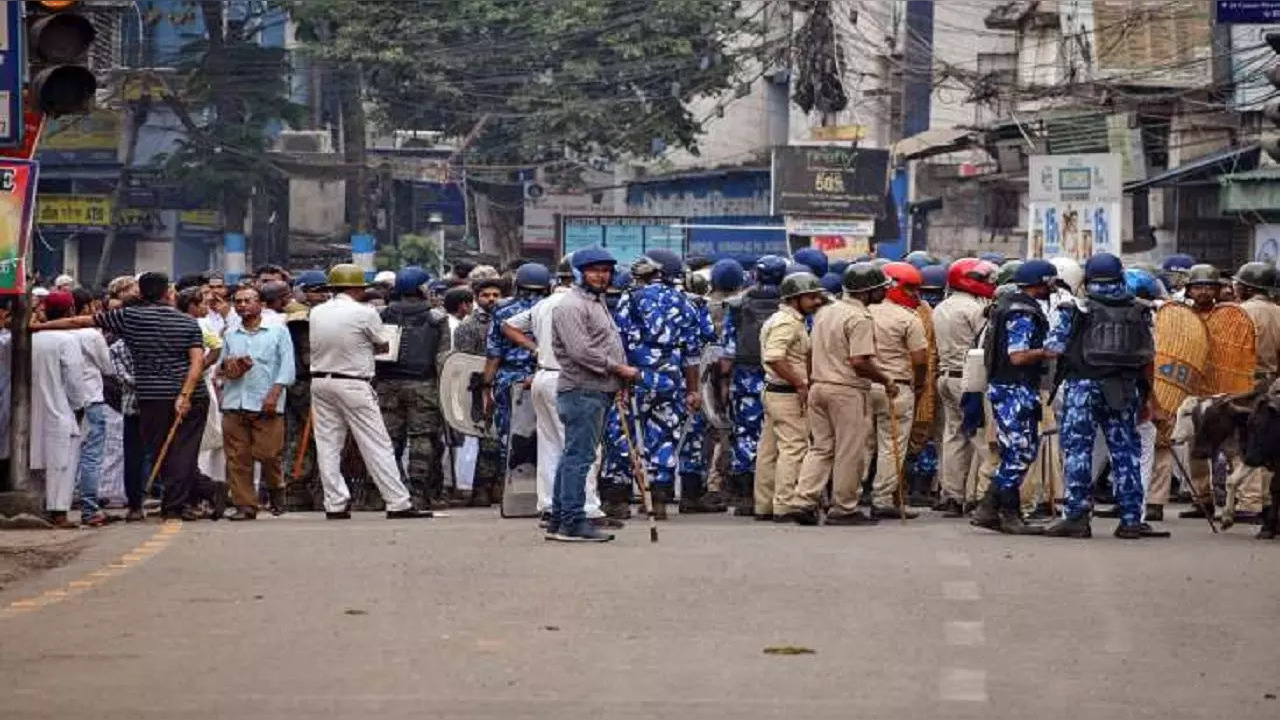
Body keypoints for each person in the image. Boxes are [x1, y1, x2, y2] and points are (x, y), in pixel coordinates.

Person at [34, 273, 210, 521]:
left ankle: (176, 504)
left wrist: (39, 327)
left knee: (162, 449)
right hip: (188, 394)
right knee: (181, 450)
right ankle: (187, 500)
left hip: (152, 396)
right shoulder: (187, 322)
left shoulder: (128, 317)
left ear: (141, 293)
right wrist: (186, 394)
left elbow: (81, 322)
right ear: (166, 294)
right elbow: (196, 362)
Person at [1043, 254, 1156, 539]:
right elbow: (1148, 358)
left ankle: (1077, 516)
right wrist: (1147, 397)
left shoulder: (1076, 308)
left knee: (1079, 451)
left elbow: (1053, 348)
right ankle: (1131, 519)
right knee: (1126, 453)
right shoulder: (1141, 310)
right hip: (1124, 388)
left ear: (1088, 278)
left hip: (1083, 387)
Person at [308, 263, 432, 520]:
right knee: (376, 443)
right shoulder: (364, 312)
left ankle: (335, 503)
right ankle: (398, 502)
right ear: (356, 287)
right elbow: (382, 343)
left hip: (320, 380)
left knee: (328, 444)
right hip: (354, 382)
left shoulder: (317, 312)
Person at [503, 255, 614, 526]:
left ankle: (551, 505)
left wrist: (535, 350)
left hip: (543, 375)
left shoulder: (545, 304)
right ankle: (586, 508)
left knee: (551, 445)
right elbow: (583, 350)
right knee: (582, 448)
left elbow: (508, 325)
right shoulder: (579, 304)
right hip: (570, 378)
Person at [547, 247, 638, 542]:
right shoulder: (571, 306)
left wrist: (619, 380)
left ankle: (561, 519)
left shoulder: (596, 302)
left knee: (573, 455)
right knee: (579, 457)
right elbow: (580, 351)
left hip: (598, 390)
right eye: (595, 270)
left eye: (606, 270)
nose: (602, 276)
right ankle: (572, 521)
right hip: (582, 390)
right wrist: (619, 369)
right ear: (578, 272)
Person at [794, 263, 894, 526]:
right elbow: (859, 361)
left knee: (820, 448)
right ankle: (844, 507)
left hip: (819, 387)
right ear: (867, 291)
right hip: (846, 391)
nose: (884, 292)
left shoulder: (825, 312)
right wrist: (886, 380)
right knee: (850, 451)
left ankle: (804, 500)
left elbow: (809, 353)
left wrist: (811, 380)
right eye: (880, 288)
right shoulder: (859, 318)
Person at [615, 249, 704, 519]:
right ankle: (660, 497)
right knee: (665, 436)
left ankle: (616, 499)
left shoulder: (629, 299)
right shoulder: (687, 303)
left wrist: (619, 383)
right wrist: (692, 389)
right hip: (671, 381)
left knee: (625, 435)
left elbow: (617, 343)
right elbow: (692, 353)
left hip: (634, 378)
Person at [970, 261, 1056, 535]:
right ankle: (1009, 514)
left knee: (1024, 450)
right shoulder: (1023, 312)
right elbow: (1018, 356)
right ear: (1040, 282)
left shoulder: (1007, 305)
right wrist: (1048, 351)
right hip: (1014, 388)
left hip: (1010, 387)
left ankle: (989, 507)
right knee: (1018, 453)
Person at [219, 286, 296, 520]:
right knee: (237, 457)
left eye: (247, 301)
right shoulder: (231, 334)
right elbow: (221, 368)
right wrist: (231, 367)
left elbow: (287, 367)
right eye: (238, 302)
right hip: (235, 401)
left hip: (266, 402)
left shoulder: (278, 331)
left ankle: (276, 489)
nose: (242, 305)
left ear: (260, 304)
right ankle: (245, 505)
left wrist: (274, 394)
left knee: (269, 454)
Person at [720, 255, 787, 515]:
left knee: (746, 436)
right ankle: (776, 493)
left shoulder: (737, 306)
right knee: (782, 437)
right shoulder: (791, 305)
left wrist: (724, 385)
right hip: (783, 379)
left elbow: (726, 354)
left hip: (745, 379)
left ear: (755, 275)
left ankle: (746, 497)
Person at [376, 267, 448, 508]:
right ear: (421, 289)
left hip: (387, 386)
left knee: (388, 442)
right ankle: (418, 492)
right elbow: (443, 359)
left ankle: (394, 491)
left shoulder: (383, 315)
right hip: (424, 385)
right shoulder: (437, 319)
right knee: (422, 439)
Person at [755, 272, 824, 522]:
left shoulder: (783, 319)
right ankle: (784, 505)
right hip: (786, 394)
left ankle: (764, 504)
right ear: (795, 298)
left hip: (775, 391)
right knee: (793, 448)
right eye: (811, 297)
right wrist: (799, 383)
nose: (817, 301)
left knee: (769, 451)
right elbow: (774, 356)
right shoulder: (787, 323)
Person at [931, 259, 998, 516]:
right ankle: (982, 496)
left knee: (953, 437)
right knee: (981, 438)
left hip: (946, 376)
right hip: (969, 378)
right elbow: (985, 343)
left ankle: (952, 495)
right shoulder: (974, 309)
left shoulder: (941, 307)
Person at [866, 262, 929, 520]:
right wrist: (921, 383)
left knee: (859, 444)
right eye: (911, 288)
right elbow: (920, 359)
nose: (915, 295)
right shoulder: (908, 318)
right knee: (892, 446)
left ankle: (847, 494)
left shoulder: (862, 312)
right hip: (897, 387)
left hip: (862, 384)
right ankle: (881, 499)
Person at [1224, 262, 1280, 528]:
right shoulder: (1279, 314)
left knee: (1242, 442)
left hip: (1241, 384)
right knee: (1270, 444)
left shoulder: (1236, 313)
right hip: (1272, 387)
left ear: (1247, 287)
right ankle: (1266, 502)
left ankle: (1247, 502)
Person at [482, 264, 551, 474]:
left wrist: (486, 386)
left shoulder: (502, 311)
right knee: (548, 434)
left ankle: (510, 481)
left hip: (510, 379)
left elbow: (494, 354)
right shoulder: (552, 309)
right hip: (545, 376)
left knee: (510, 432)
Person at [30, 292, 88, 528]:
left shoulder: (33, 337)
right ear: (71, 311)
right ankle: (58, 512)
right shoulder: (68, 341)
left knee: (37, 461)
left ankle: (41, 507)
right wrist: (79, 405)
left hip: (33, 408)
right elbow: (75, 380)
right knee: (63, 462)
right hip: (61, 407)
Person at [69, 289, 116, 527]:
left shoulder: (54, 331)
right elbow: (108, 367)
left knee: (68, 453)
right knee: (92, 455)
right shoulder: (90, 334)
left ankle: (62, 503)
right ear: (86, 307)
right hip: (91, 398)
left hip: (65, 400)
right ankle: (89, 508)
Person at [676, 269, 720, 513]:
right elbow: (708, 336)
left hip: (653, 375)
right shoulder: (697, 305)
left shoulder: (635, 299)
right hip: (692, 374)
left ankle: (656, 490)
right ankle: (691, 494)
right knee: (692, 433)